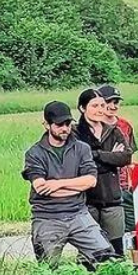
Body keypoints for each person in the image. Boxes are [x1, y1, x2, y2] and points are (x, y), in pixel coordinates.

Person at [23, 102, 115, 266]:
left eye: (67, 124)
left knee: (105, 258)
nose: (65, 128)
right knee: (47, 269)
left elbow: (91, 181)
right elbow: (41, 188)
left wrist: (57, 184)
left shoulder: (82, 149)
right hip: (47, 217)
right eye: (59, 125)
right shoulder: (34, 153)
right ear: (46, 125)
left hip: (78, 214)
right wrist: (77, 186)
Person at [76, 88, 131, 256]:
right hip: (86, 200)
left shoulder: (113, 131)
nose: (100, 110)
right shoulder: (74, 133)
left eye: (102, 105)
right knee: (89, 251)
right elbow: (77, 163)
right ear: (82, 108)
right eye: (94, 106)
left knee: (117, 249)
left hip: (112, 198)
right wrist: (110, 159)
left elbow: (125, 157)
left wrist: (96, 155)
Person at [97, 85, 138, 266]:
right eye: (108, 102)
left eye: (116, 102)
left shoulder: (125, 126)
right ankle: (109, 263)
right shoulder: (93, 126)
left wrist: (134, 178)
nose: (113, 106)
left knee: (133, 226)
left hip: (124, 183)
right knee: (104, 227)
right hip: (103, 184)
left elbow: (131, 156)